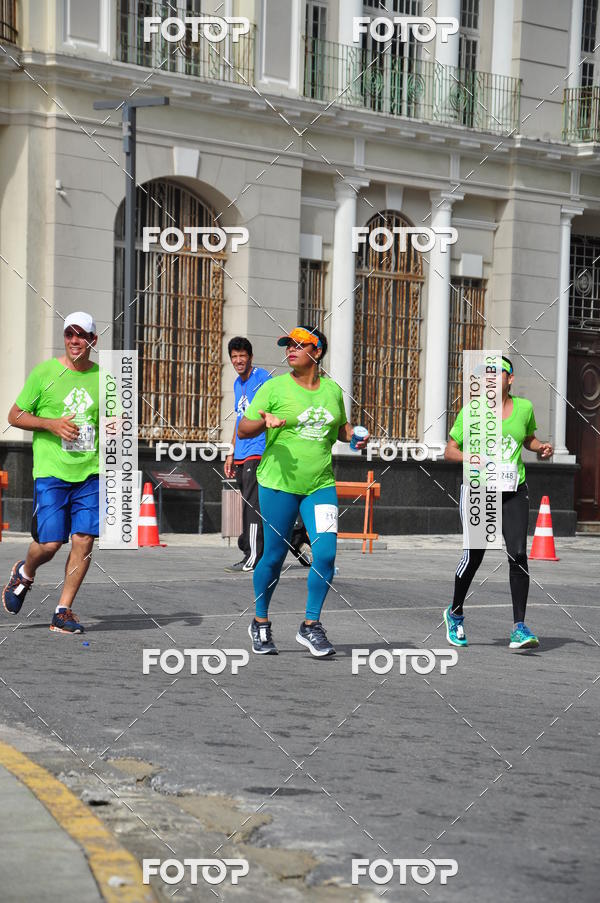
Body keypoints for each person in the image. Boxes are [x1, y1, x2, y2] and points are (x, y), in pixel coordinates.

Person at [237, 326, 368, 657]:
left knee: (325, 554)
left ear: (317, 351)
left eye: (299, 345)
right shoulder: (274, 388)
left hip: (319, 485)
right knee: (275, 556)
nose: (291, 350)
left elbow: (339, 428)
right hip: (278, 484)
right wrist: (263, 422)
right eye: (288, 345)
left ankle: (310, 626)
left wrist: (355, 436)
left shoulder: (331, 391)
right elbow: (243, 427)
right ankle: (260, 622)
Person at [443, 356, 553, 650]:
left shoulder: (524, 408)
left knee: (518, 554)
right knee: (474, 556)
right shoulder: (472, 412)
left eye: (496, 374)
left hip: (514, 490)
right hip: (479, 490)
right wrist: (471, 458)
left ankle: (519, 627)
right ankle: (455, 613)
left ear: (510, 379)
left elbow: (526, 437)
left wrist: (540, 447)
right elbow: (450, 451)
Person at [2, 312, 100, 634]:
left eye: (81, 335)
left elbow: (117, 426)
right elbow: (15, 415)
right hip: (52, 471)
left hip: (91, 471)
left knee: (84, 539)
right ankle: (25, 572)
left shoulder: (107, 379)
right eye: (69, 334)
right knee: (50, 543)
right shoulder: (44, 373)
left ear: (93, 340)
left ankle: (63, 610)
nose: (74, 341)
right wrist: (51, 424)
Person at [224, 337, 271, 572]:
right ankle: (295, 537)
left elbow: (273, 408)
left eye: (242, 356)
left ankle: (253, 555)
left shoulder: (262, 378)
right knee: (249, 504)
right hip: (242, 452)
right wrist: (231, 452)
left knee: (253, 505)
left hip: (258, 450)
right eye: (234, 356)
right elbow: (239, 419)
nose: (238, 360)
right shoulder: (236, 383)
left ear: (250, 357)